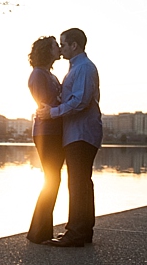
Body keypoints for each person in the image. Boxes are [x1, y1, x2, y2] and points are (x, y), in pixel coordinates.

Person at [36, 28, 103, 247]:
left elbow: (80, 101)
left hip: (81, 133)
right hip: (78, 133)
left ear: (74, 45)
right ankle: (82, 231)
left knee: (77, 183)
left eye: (63, 44)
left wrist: (52, 113)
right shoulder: (78, 68)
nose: (61, 48)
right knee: (82, 183)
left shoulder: (83, 68)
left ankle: (75, 233)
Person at [25, 36, 64, 244]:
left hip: (53, 131)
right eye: (55, 46)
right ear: (46, 50)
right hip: (46, 132)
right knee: (52, 179)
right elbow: (45, 104)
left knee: (53, 179)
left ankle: (41, 231)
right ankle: (39, 232)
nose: (59, 48)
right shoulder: (38, 75)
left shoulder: (48, 74)